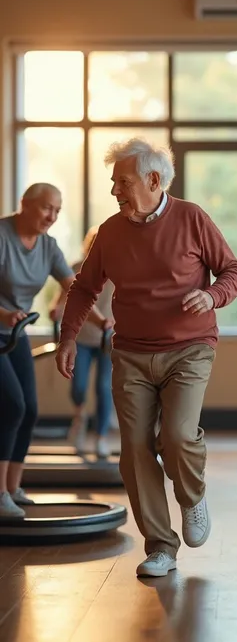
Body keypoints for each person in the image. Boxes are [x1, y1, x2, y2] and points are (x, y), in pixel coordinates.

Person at [55, 138, 237, 579]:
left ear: (153, 180)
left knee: (177, 436)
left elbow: (232, 271)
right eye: (114, 182)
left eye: (122, 182)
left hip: (190, 348)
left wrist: (212, 295)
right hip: (132, 352)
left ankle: (192, 496)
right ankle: (161, 546)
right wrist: (67, 339)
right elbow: (84, 287)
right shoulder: (110, 231)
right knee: (135, 451)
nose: (115, 191)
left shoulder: (192, 218)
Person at [0, 183, 107, 518]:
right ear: (25, 205)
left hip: (14, 334)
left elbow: (75, 288)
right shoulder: (2, 236)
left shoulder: (48, 246)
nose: (52, 216)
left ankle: (13, 490)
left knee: (30, 409)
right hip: (1, 326)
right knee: (12, 405)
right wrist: (4, 313)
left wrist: (102, 322)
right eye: (47, 208)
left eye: (58, 210)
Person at [52, 226, 115, 458]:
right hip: (82, 339)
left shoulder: (119, 269)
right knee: (78, 387)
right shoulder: (77, 268)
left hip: (108, 339)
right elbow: (62, 298)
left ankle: (100, 436)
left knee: (103, 389)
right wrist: (55, 311)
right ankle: (79, 417)